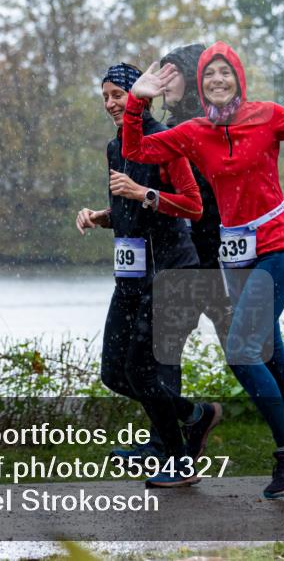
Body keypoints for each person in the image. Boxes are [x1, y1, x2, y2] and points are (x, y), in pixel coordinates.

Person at [121, 42, 284, 498]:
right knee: (274, 361)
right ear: (201, 84)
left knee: (243, 351)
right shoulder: (194, 131)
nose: (217, 80)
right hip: (236, 256)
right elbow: (137, 150)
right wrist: (136, 103)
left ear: (239, 79)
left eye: (225, 72)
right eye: (209, 74)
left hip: (279, 244)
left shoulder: (268, 115)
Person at [75, 62, 222, 488]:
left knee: (143, 371)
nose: (109, 104)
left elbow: (192, 205)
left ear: (139, 95)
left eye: (117, 95)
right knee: (114, 373)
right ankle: (195, 415)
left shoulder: (165, 142)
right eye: (104, 97)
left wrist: (144, 193)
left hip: (172, 272)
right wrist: (101, 216)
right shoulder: (114, 148)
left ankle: (177, 461)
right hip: (131, 276)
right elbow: (129, 210)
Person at [157, 43, 232, 355]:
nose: (163, 81)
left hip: (214, 257)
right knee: (162, 353)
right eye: (161, 72)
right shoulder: (167, 131)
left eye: (171, 72)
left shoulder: (215, 128)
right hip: (183, 258)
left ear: (191, 77)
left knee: (244, 350)